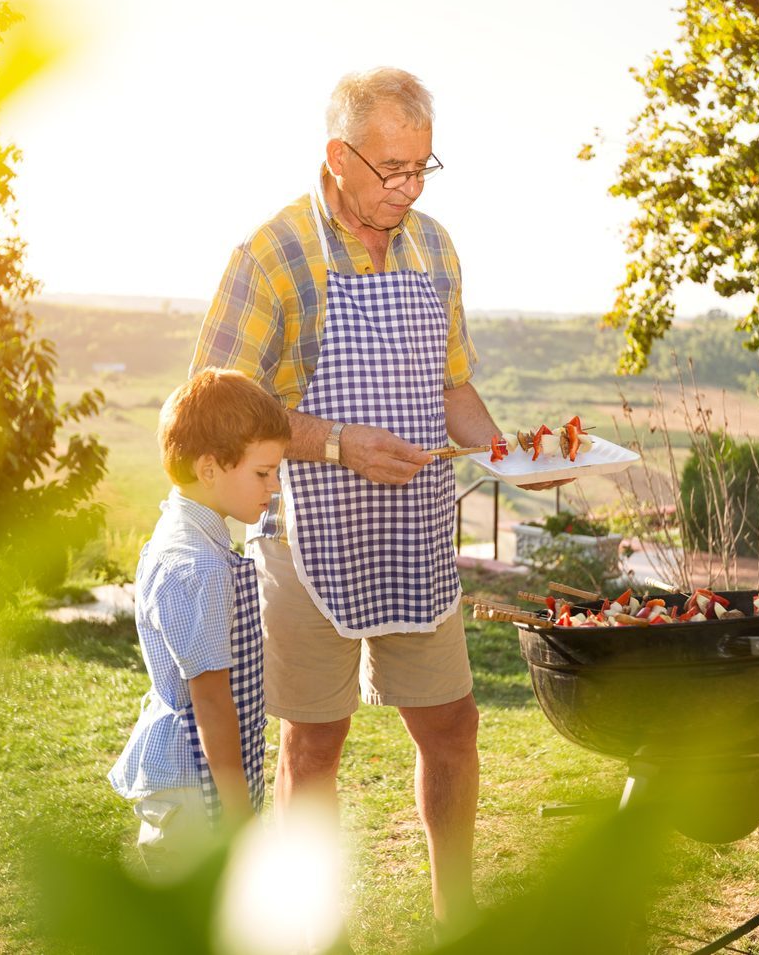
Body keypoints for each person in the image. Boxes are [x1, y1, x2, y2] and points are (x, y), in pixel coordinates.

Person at [190, 67, 558, 925]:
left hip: (415, 531)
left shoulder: (435, 248)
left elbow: (453, 388)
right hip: (306, 533)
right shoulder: (272, 254)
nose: (407, 188)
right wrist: (336, 442)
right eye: (392, 168)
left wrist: (512, 456)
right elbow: (216, 400)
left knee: (454, 727)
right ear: (337, 156)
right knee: (315, 742)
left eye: (422, 167)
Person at [108, 368, 290, 876]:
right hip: (198, 789)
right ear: (209, 468)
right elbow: (210, 700)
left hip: (206, 774)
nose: (274, 488)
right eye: (262, 473)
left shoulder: (183, 531)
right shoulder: (200, 566)